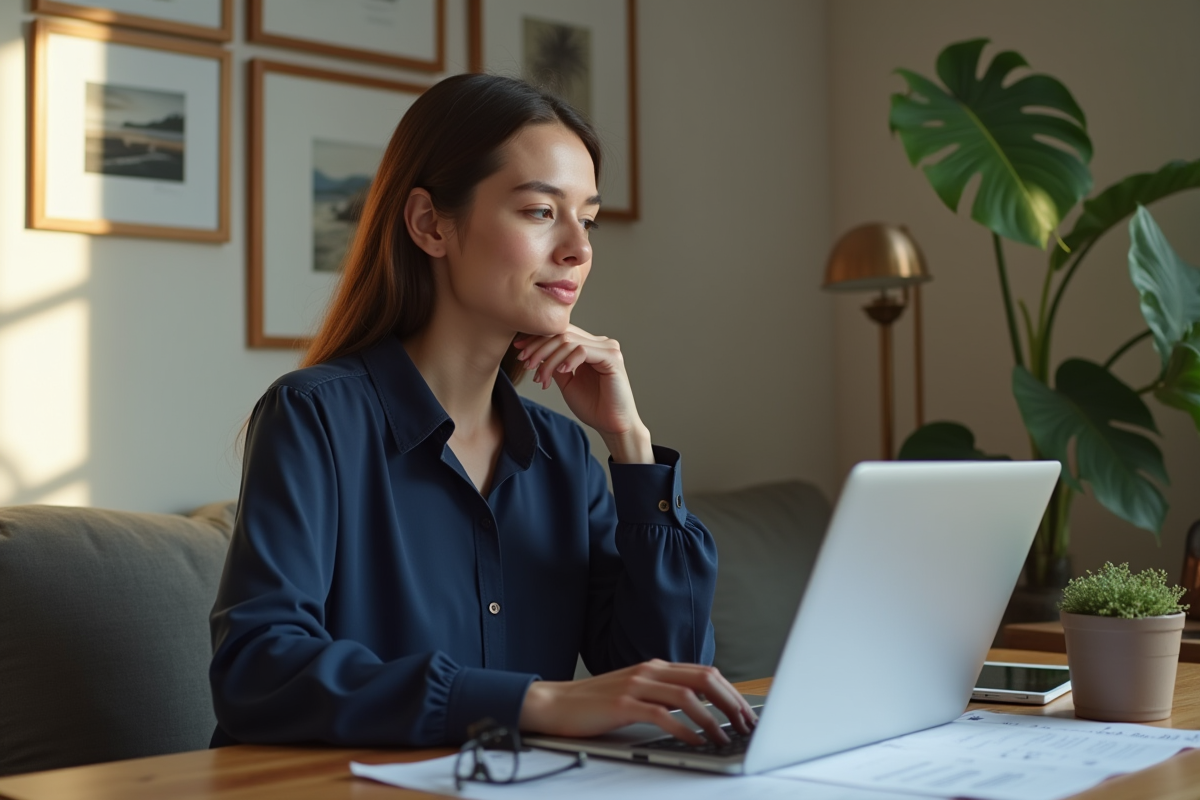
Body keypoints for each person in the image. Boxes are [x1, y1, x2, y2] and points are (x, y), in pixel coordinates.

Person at [209, 73, 756, 750]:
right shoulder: (316, 415)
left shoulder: (563, 455)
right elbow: (257, 670)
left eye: (586, 219)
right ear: (430, 224)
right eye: (539, 211)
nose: (578, 250)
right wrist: (535, 701)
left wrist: (629, 445)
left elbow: (665, 678)